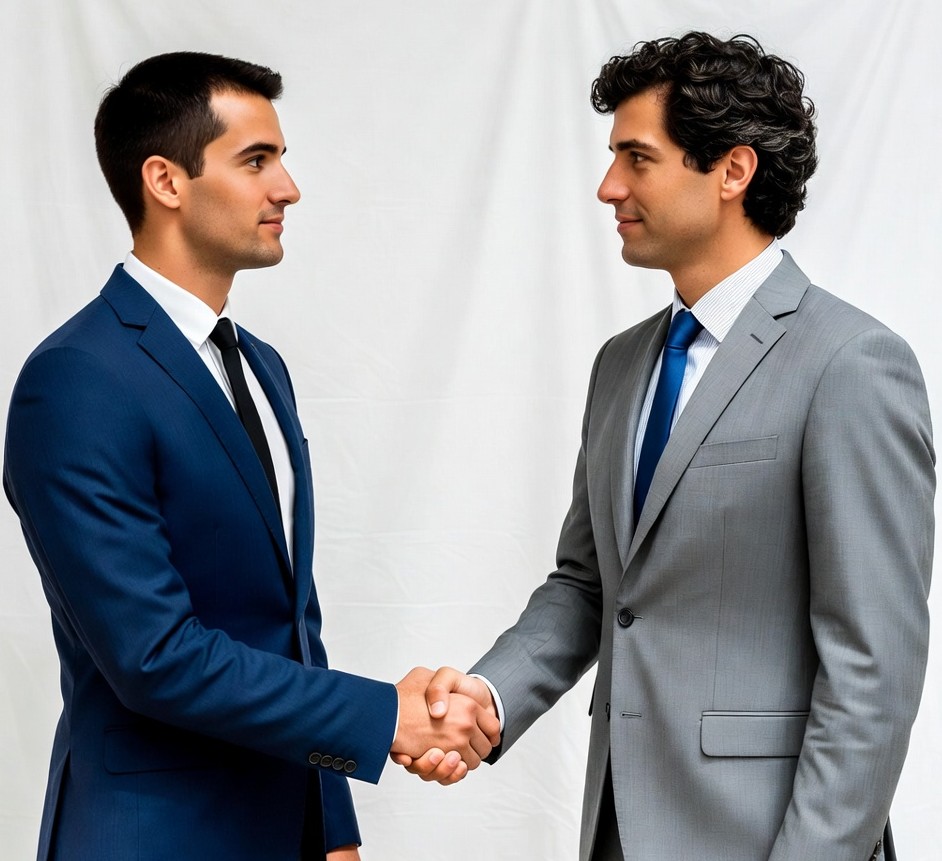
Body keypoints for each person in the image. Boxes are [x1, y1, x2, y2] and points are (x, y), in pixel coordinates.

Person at [397, 32, 935, 860]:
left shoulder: (852, 364)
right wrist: (487, 698)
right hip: (618, 825)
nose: (610, 186)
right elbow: (589, 585)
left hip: (769, 840)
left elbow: (873, 669)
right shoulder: (622, 363)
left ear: (733, 170)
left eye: (637, 158)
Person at [3, 51, 499, 861]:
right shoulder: (74, 380)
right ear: (166, 181)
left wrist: (332, 824)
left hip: (290, 832)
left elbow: (291, 626)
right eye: (256, 161)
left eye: (282, 161)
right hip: (155, 836)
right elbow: (154, 655)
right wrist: (386, 718)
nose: (287, 189)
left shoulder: (260, 364)